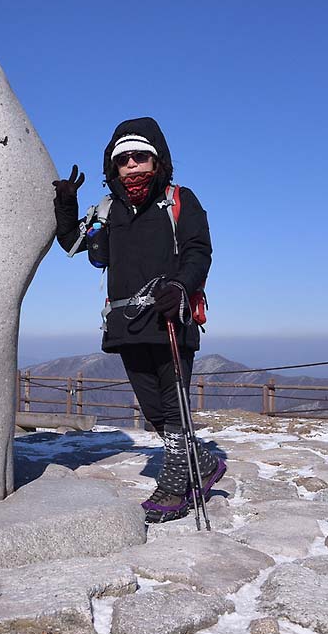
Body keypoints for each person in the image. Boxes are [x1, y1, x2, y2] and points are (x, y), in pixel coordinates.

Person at [53, 116, 225, 523]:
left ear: (157, 160)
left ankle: (176, 484)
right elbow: (72, 243)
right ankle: (203, 463)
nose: (131, 164)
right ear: (113, 167)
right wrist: (67, 204)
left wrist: (181, 286)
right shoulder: (109, 209)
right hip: (126, 322)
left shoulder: (179, 200)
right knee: (153, 408)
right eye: (123, 159)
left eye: (140, 156)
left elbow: (199, 250)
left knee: (173, 401)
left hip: (170, 315)